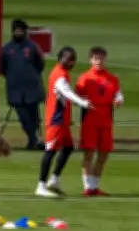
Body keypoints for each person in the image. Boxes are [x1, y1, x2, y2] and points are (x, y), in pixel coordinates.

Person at [35, 47, 92, 198]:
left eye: (74, 59)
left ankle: (54, 180)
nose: (72, 62)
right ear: (61, 59)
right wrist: (83, 103)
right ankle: (41, 185)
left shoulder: (62, 73)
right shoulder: (59, 75)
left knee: (68, 148)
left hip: (63, 121)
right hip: (56, 120)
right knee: (51, 151)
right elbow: (67, 93)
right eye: (69, 59)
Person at [75, 46, 122, 197]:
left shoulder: (112, 78)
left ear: (105, 59)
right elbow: (76, 97)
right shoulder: (85, 78)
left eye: (101, 58)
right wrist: (83, 101)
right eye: (96, 58)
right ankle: (87, 187)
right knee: (88, 153)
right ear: (90, 60)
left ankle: (94, 186)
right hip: (90, 119)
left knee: (104, 153)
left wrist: (118, 99)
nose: (99, 61)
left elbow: (118, 94)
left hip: (106, 120)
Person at [0, 19, 45, 150]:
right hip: (15, 89)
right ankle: (34, 139)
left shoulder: (32, 47)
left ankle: (33, 141)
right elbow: (3, 68)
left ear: (24, 32)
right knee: (23, 117)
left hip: (31, 87)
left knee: (34, 116)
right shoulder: (7, 49)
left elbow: (40, 64)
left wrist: (30, 76)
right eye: (16, 30)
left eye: (20, 30)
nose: (18, 32)